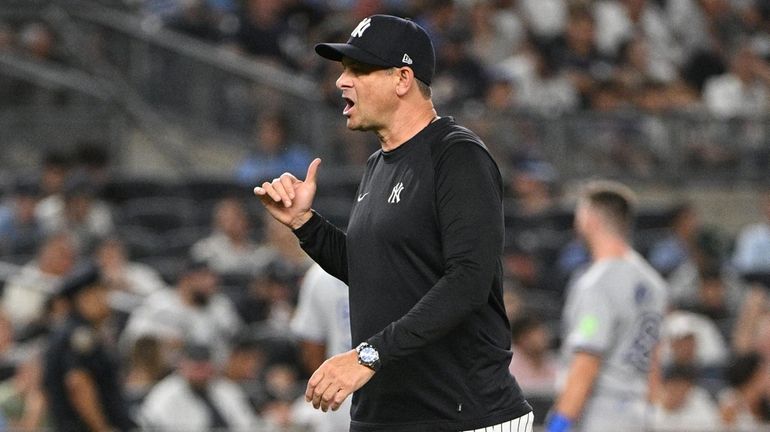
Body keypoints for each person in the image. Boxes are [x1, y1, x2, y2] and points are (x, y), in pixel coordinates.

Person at [254, 14, 533, 431]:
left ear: (403, 79)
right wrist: (304, 223)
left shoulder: (456, 155)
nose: (341, 81)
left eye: (359, 69)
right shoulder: (377, 165)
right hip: (385, 416)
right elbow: (375, 273)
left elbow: (470, 280)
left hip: (463, 416)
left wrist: (368, 354)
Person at [545, 181, 668, 432]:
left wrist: (559, 423)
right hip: (641, 411)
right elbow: (654, 358)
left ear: (589, 219)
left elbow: (587, 361)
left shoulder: (597, 282)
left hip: (602, 413)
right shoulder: (653, 281)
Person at [42, 264, 135, 432]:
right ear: (86, 297)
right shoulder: (79, 336)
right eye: (101, 292)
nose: (107, 299)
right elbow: (78, 384)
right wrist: (102, 428)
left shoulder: (74, 331)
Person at [139, 342, 262, 432]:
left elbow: (247, 424)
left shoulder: (225, 389)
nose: (201, 374)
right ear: (183, 367)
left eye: (205, 368)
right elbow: (151, 423)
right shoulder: (165, 394)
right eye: (196, 368)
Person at [290, 264, 352, 432]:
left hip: (340, 394)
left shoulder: (320, 273)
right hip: (403, 395)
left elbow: (311, 346)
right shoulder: (402, 261)